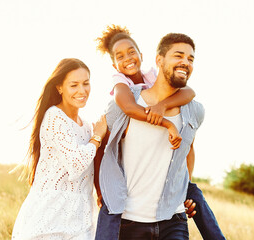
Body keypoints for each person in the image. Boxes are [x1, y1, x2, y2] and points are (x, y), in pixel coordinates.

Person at [95, 32, 226, 239]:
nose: (185, 62)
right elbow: (103, 149)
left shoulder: (194, 110)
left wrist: (183, 191)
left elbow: (188, 150)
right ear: (159, 60)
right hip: (129, 221)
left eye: (190, 59)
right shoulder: (121, 103)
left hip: (173, 221)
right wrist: (102, 192)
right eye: (178, 55)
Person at [12, 58, 107, 239]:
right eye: (74, 85)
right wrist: (97, 138)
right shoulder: (54, 117)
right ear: (60, 88)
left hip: (81, 218)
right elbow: (76, 165)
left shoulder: (87, 127)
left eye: (86, 83)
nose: (82, 90)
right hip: (50, 217)